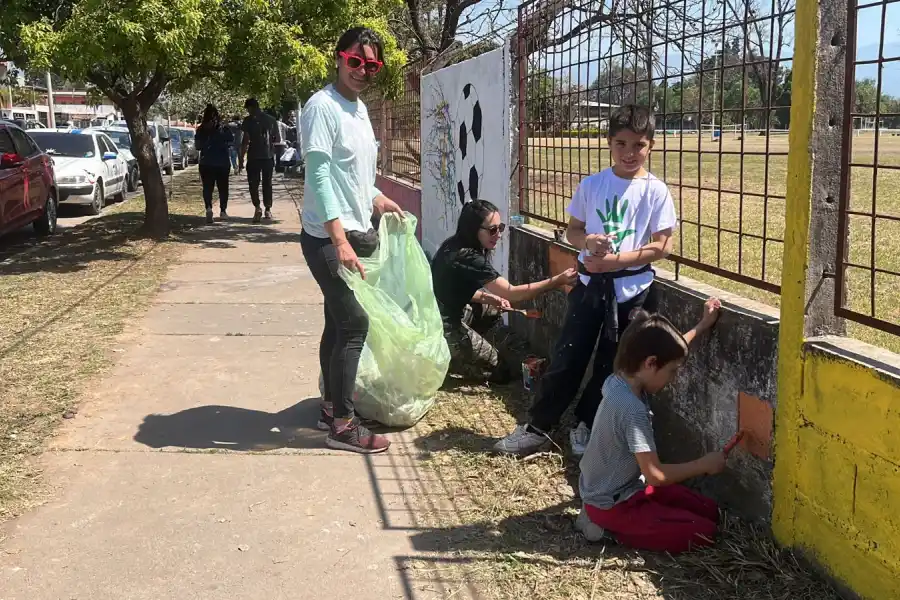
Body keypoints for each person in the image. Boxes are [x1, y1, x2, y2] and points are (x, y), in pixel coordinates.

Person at [494, 104, 677, 456]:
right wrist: (588, 243)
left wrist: (618, 261)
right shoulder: (593, 185)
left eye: (638, 145)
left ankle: (587, 423)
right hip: (589, 285)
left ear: (651, 145)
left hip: (632, 290)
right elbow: (574, 231)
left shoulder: (656, 191)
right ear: (609, 143)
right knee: (569, 353)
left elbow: (662, 245)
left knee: (613, 363)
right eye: (621, 144)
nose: (629, 153)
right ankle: (538, 426)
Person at [300, 26, 404, 454]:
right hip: (327, 237)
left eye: (371, 65)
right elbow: (320, 176)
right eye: (356, 61)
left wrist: (378, 198)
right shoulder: (322, 107)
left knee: (337, 322)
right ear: (340, 58)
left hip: (355, 231)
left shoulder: (359, 109)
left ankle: (330, 405)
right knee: (355, 324)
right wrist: (339, 239)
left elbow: (354, 174)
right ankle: (343, 425)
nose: (362, 71)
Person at [575, 299, 726, 554]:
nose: (673, 378)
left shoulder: (620, 377)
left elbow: (672, 351)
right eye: (672, 371)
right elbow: (656, 475)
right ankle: (603, 529)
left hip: (628, 489)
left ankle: (614, 519)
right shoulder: (632, 409)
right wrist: (705, 465)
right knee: (703, 533)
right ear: (650, 363)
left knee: (709, 511)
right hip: (612, 505)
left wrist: (702, 325)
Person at [431, 199, 576, 383]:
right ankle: (453, 356)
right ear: (473, 229)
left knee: (491, 311)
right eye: (492, 230)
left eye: (500, 227)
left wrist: (488, 298)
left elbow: (451, 291)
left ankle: (470, 348)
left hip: (442, 312)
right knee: (501, 372)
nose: (498, 234)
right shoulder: (467, 256)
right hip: (441, 326)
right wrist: (557, 280)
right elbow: (511, 293)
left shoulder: (455, 245)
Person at [240, 98, 281, 223]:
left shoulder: (248, 121)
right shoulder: (271, 120)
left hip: (253, 157)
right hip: (268, 156)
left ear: (251, 107)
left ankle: (257, 207)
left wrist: (241, 158)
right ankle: (268, 209)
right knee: (267, 183)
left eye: (248, 109)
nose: (248, 111)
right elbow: (277, 138)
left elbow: (245, 141)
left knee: (253, 184)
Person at [195, 104, 234, 224]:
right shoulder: (224, 128)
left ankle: (208, 208)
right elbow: (231, 141)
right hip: (222, 162)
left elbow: (197, 146)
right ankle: (223, 211)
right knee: (223, 188)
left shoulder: (201, 129)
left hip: (206, 162)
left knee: (207, 187)